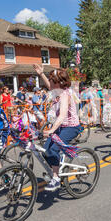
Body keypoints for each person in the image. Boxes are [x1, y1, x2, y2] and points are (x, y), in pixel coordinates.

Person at [34, 64, 81, 192]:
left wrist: (51, 130)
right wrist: (41, 74)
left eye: (51, 79)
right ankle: (57, 168)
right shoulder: (57, 92)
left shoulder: (65, 95)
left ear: (58, 82)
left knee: (53, 149)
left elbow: (62, 116)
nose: (49, 81)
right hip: (61, 127)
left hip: (71, 127)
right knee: (46, 150)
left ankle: (56, 178)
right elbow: (49, 87)